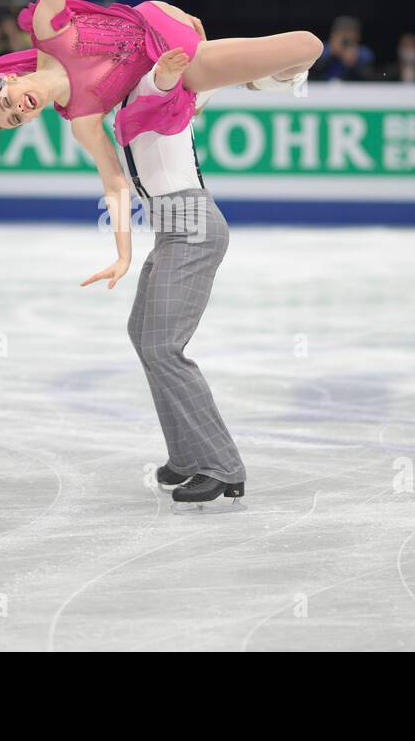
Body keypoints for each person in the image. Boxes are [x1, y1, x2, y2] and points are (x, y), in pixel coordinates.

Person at [0, 0, 321, 295]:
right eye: (16, 119)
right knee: (307, 46)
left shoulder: (47, 29)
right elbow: (114, 185)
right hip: (181, 68)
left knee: (302, 48)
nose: (20, 110)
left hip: (164, 22)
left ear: (9, 79)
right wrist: (123, 253)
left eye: (8, 103)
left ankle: (246, 84)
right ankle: (258, 84)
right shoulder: (82, 120)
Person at [109, 52, 244, 506]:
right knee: (144, 334)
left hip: (191, 226)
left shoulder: (149, 85)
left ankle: (221, 466)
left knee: (164, 346)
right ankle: (186, 457)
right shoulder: (125, 100)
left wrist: (166, 67)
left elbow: (166, 79)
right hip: (172, 228)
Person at [309, 16, 375, 82]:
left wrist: (354, 63)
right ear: (333, 35)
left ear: (357, 36)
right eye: (342, 34)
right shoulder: (322, 49)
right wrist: (333, 53)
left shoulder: (364, 53)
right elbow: (313, 72)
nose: (345, 40)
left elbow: (369, 78)